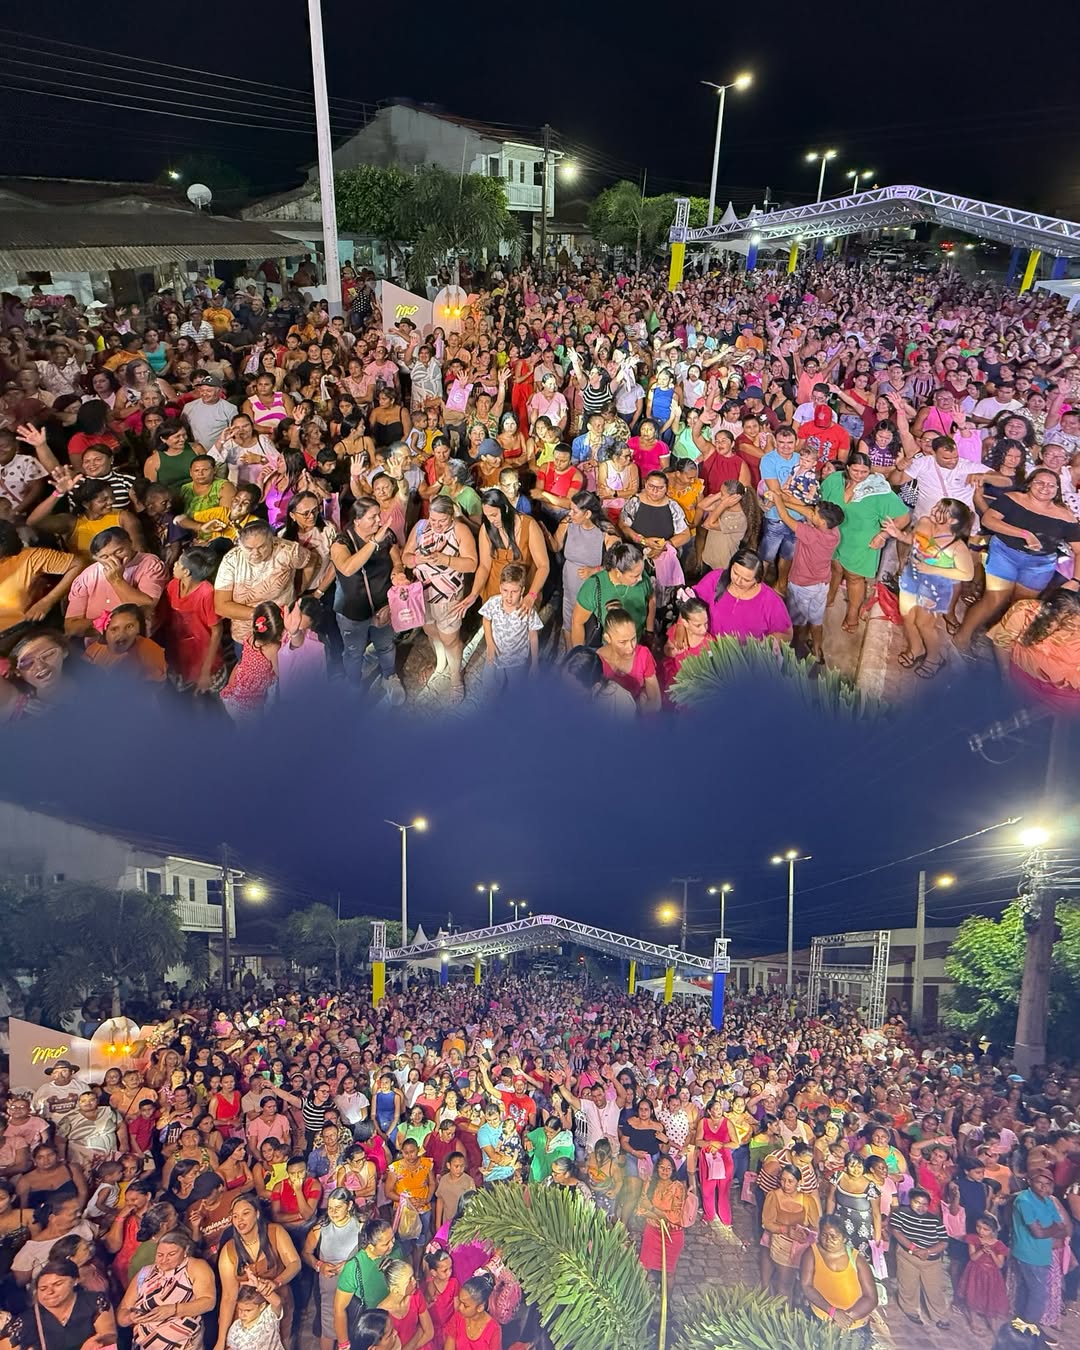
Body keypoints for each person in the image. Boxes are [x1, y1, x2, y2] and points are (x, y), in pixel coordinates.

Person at [821, 451, 910, 634]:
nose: (860, 476)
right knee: (835, 567)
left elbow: (903, 517)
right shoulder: (834, 480)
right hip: (835, 537)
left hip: (862, 541)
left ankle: (852, 614)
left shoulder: (879, 490)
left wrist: (883, 536)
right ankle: (829, 597)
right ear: (847, 468)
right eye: (856, 471)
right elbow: (822, 503)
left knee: (854, 577)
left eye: (864, 472)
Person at [330, 496, 407, 704]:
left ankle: (389, 676)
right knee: (354, 653)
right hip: (352, 613)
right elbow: (347, 568)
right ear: (357, 520)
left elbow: (397, 560)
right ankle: (354, 684)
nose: (378, 522)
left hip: (383, 607)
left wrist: (397, 573)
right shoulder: (341, 542)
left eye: (379, 516)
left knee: (386, 645)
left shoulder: (386, 535)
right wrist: (374, 543)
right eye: (372, 518)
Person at [886, 498, 975, 678]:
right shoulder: (925, 522)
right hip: (912, 577)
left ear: (954, 521)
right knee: (908, 617)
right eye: (937, 506)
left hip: (934, 587)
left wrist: (932, 568)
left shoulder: (956, 546)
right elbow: (913, 539)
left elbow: (967, 574)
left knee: (924, 624)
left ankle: (934, 658)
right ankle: (916, 648)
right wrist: (898, 534)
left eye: (942, 510)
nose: (934, 510)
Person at [402, 495, 478, 701]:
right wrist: (418, 558)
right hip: (422, 594)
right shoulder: (420, 526)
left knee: (450, 637)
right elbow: (405, 558)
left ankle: (455, 678)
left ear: (451, 516)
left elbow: (471, 564)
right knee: (430, 630)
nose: (435, 525)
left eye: (441, 521)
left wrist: (445, 559)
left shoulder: (460, 530)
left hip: (449, 596)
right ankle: (441, 662)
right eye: (433, 520)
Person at [118, 1230, 217, 1350]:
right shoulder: (145, 1272)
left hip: (184, 1344)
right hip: (143, 1344)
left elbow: (208, 1302)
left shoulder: (195, 1266)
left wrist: (173, 1310)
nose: (164, 1260)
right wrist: (130, 1317)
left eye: (171, 1254)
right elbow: (122, 1313)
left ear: (185, 1251)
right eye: (160, 1255)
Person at [987, 585, 1080, 710]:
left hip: (1066, 687)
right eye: (1068, 624)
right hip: (1029, 679)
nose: (1074, 628)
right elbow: (1002, 644)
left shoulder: (1076, 622)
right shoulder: (1025, 612)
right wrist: (1006, 680)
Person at [2, 1257, 116, 1350]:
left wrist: (98, 1342)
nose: (50, 1291)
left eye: (57, 1284)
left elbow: (109, 1336)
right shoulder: (24, 1322)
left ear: (75, 1280)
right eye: (43, 1288)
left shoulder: (94, 1302)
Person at [692, 548, 793, 645]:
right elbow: (691, 601)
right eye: (735, 573)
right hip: (710, 647)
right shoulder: (715, 579)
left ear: (757, 580)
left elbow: (786, 633)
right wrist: (680, 625)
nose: (738, 581)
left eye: (746, 580)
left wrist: (764, 646)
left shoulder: (770, 600)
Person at [800, 1214, 878, 1334]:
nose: (828, 1240)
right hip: (821, 1317)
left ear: (844, 1238)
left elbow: (871, 1298)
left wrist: (845, 1318)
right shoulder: (811, 1253)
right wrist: (833, 1312)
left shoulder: (856, 1259)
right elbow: (806, 1286)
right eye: (824, 1235)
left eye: (834, 1237)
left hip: (853, 1323)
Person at [888, 1186, 951, 1330]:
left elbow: (944, 1241)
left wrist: (927, 1251)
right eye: (917, 1202)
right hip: (907, 1255)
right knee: (907, 1284)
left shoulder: (934, 1220)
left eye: (924, 1204)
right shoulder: (900, 1213)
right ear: (910, 1201)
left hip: (931, 1260)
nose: (921, 1207)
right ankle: (910, 1309)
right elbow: (896, 1232)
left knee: (934, 1289)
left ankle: (939, 1315)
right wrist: (913, 1248)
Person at [1011, 1171, 1067, 1328]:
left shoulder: (1047, 1200)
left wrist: (1049, 1229)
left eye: (1047, 1184)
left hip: (1041, 1252)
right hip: (1028, 1252)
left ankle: (1020, 1326)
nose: (1043, 1187)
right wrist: (1053, 1228)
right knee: (1038, 1294)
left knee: (1028, 1290)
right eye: (1039, 1182)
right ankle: (1030, 1328)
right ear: (1030, 1182)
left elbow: (1064, 1229)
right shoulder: (1024, 1201)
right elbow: (1038, 1233)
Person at [220, 601, 284, 718]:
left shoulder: (251, 636)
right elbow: (280, 673)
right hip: (250, 703)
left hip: (235, 692)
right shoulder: (273, 648)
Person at [636, 1154, 687, 1278]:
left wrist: (652, 1210)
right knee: (644, 1267)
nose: (665, 1171)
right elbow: (640, 1209)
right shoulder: (650, 1183)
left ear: (673, 1170)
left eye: (668, 1168)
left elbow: (675, 1217)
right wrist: (658, 1214)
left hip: (672, 1235)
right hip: (652, 1232)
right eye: (661, 1167)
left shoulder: (678, 1187)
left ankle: (668, 1298)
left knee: (669, 1273)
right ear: (656, 1168)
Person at [378, 1259, 434, 1350]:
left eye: (413, 1277)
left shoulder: (416, 1295)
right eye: (409, 1281)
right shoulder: (381, 1315)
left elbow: (429, 1332)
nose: (415, 1282)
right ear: (395, 1289)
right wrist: (419, 1332)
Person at [442, 1275, 501, 1350]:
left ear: (480, 1307)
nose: (460, 1307)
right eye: (460, 1302)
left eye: (465, 1306)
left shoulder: (494, 1330)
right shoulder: (458, 1317)